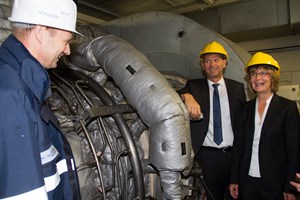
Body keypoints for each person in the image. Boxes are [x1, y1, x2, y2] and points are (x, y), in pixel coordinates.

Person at [0, 0, 83, 199]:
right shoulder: (11, 94)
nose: (68, 51)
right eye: (66, 41)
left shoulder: (24, 81)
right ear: (40, 32)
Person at [178, 41, 246, 200]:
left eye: (216, 60)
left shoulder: (237, 88)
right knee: (213, 196)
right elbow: (173, 92)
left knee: (236, 195)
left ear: (224, 63)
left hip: (234, 154)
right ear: (202, 65)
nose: (212, 64)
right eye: (207, 61)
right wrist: (187, 96)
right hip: (208, 156)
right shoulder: (193, 86)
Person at [229, 52, 300, 200]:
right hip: (247, 181)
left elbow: (294, 150)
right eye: (254, 73)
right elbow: (238, 147)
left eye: (264, 73)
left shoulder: (287, 108)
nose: (258, 78)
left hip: (276, 183)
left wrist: (290, 187)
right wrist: (234, 179)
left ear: (273, 77)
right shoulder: (244, 109)